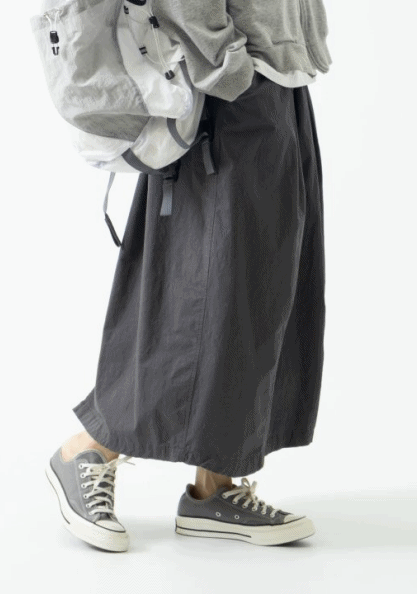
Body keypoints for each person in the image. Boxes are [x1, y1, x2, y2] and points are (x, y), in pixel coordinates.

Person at [45, 0, 332, 552]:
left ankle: (213, 488)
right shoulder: (231, 73)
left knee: (255, 293)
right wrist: (226, 64)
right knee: (197, 294)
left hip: (277, 77)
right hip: (228, 83)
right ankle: (86, 449)